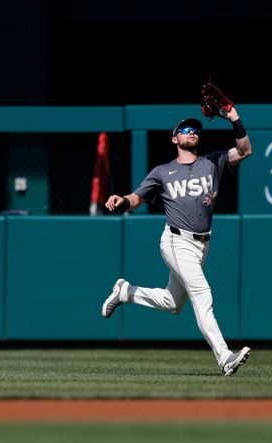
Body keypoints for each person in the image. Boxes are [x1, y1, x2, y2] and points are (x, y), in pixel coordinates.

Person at [100, 87, 252, 376]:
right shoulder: (162, 171)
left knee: (173, 303)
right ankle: (224, 357)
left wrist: (234, 118)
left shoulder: (214, 161)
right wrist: (121, 201)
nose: (191, 131)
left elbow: (245, 150)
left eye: (195, 128)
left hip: (201, 244)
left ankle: (125, 292)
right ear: (174, 138)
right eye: (185, 129)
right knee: (202, 292)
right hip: (175, 240)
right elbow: (136, 199)